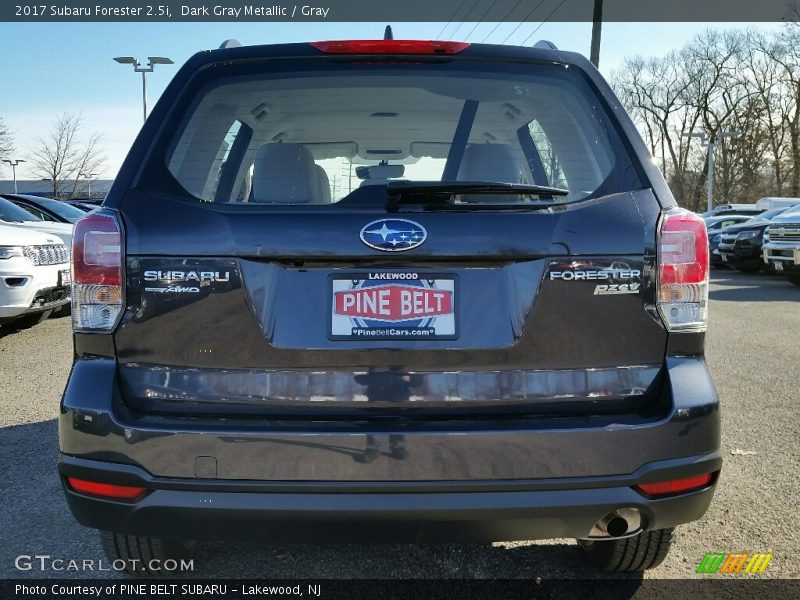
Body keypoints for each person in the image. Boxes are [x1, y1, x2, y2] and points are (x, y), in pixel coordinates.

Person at [352, 367, 422, 463]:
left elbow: (418, 381)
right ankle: (373, 449)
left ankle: (398, 447)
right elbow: (360, 379)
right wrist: (374, 377)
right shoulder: (375, 365)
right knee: (374, 423)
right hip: (377, 399)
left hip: (399, 400)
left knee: (398, 423)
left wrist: (408, 378)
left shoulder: (401, 367)